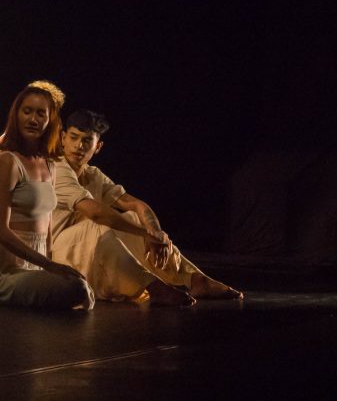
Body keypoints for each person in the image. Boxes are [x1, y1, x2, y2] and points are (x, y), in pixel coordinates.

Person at [52, 109, 243, 304]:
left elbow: (136, 205)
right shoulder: (56, 168)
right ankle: (152, 287)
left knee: (132, 219)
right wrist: (146, 234)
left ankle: (194, 279)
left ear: (98, 146)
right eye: (74, 137)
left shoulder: (92, 174)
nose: (79, 146)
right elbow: (96, 213)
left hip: (86, 250)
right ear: (63, 138)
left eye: (87, 141)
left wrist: (155, 233)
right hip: (56, 256)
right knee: (98, 226)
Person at [0, 84, 94, 309]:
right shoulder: (8, 161)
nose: (33, 119)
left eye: (41, 113)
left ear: (50, 120)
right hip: (6, 271)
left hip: (37, 264)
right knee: (77, 289)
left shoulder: (49, 164)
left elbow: (47, 224)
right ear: (16, 115)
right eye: (27, 111)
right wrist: (50, 266)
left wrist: (49, 264)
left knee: (83, 286)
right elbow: (0, 231)